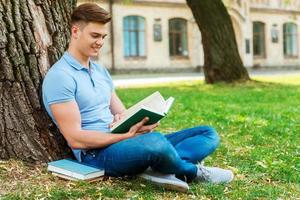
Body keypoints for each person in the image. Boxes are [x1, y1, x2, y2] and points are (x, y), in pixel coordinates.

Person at [42, 3, 233, 192]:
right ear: (75, 32)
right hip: (96, 155)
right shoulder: (60, 77)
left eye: (103, 36)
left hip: (124, 141)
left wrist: (138, 123)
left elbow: (122, 113)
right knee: (156, 143)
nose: (100, 42)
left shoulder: (100, 71)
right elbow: (76, 139)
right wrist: (123, 136)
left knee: (207, 133)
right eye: (95, 36)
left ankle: (160, 166)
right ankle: (190, 172)